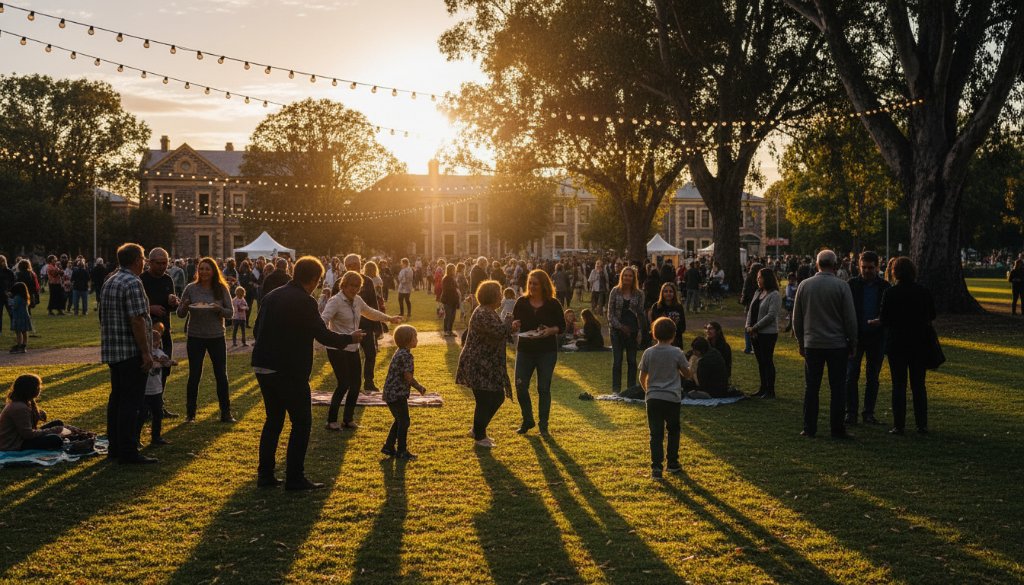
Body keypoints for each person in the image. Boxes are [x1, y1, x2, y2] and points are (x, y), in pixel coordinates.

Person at [252, 256, 364, 490]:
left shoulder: (272, 296)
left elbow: (256, 330)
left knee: (273, 420)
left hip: (263, 366)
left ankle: (265, 474)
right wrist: (349, 338)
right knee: (301, 423)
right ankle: (294, 477)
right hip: (288, 369)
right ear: (314, 279)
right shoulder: (305, 301)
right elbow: (322, 334)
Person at [322, 271, 402, 431]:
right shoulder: (335, 301)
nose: (354, 289)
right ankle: (331, 421)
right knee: (343, 383)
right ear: (344, 285)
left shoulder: (357, 300)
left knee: (356, 383)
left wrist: (389, 318)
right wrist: (331, 337)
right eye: (352, 286)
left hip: (352, 348)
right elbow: (323, 320)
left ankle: (348, 419)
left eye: (357, 287)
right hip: (337, 348)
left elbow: (370, 312)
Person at [100, 243, 156, 464]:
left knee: (117, 400)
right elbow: (137, 319)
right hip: (130, 351)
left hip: (113, 349)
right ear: (136, 260)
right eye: (143, 258)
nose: (144, 262)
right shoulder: (133, 282)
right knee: (131, 403)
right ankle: (128, 450)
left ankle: (115, 447)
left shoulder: (110, 280)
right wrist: (145, 352)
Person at [792, 250, 858, 439]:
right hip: (837, 344)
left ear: (817, 264)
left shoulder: (805, 285)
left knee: (812, 386)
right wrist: (853, 342)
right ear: (835, 265)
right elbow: (850, 319)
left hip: (813, 343)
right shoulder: (842, 286)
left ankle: (809, 427)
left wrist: (801, 341)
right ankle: (837, 429)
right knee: (837, 388)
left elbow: (797, 318)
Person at [872, 257, 936, 435]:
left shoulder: (891, 293)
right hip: (918, 342)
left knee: (898, 385)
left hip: (897, 343)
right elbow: (932, 314)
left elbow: (884, 318)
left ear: (895, 272)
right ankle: (921, 423)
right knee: (918, 385)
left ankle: (899, 424)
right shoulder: (923, 291)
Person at [456, 280, 519, 448]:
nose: (501, 297)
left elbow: (499, 332)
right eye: (499, 294)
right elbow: (498, 332)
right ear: (492, 296)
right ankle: (479, 435)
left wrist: (510, 326)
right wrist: (509, 319)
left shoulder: (488, 311)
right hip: (478, 363)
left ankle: (478, 430)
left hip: (485, 364)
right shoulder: (483, 312)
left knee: (495, 397)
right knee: (487, 399)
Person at [177, 257, 235, 423]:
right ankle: (190, 414)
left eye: (207, 269)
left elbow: (230, 313)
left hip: (216, 336)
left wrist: (219, 309)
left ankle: (226, 412)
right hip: (195, 336)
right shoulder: (190, 288)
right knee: (194, 374)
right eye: (201, 269)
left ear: (213, 271)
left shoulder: (221, 289)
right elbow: (180, 314)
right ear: (197, 271)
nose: (203, 272)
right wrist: (185, 305)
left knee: (221, 375)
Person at [511, 269, 565, 435]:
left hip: (546, 351)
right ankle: (528, 419)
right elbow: (515, 322)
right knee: (520, 385)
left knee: (543, 388)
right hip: (525, 349)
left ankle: (543, 425)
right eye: (530, 283)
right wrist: (515, 325)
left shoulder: (553, 304)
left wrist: (550, 331)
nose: (532, 286)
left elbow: (562, 327)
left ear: (543, 285)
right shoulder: (521, 302)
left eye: (535, 283)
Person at [639, 317, 692, 479]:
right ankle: (673, 463)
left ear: (654, 333)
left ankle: (656, 467)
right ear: (673, 335)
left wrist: (648, 391)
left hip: (653, 397)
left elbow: (642, 376)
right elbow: (687, 374)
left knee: (655, 433)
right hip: (672, 398)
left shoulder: (648, 352)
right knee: (673, 430)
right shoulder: (677, 352)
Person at [844, 251, 889, 425]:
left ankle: (868, 412)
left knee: (872, 377)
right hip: (856, 337)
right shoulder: (852, 285)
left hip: (876, 337)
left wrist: (881, 321)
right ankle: (851, 412)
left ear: (877, 267)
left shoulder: (885, 287)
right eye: (864, 267)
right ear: (859, 266)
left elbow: (890, 313)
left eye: (871, 268)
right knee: (851, 375)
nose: (867, 271)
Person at [140, 248, 180, 416]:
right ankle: (145, 408)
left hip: (165, 330)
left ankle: (158, 407)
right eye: (159, 263)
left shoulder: (167, 279)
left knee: (164, 368)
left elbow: (170, 307)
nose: (163, 266)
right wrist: (151, 309)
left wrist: (174, 301)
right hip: (146, 332)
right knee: (147, 370)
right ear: (149, 262)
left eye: (166, 263)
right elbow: (135, 308)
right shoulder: (141, 280)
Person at [381, 324, 428, 460]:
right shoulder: (406, 356)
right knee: (404, 421)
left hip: (391, 393)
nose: (417, 340)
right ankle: (402, 451)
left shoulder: (400, 352)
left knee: (400, 420)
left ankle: (389, 447)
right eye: (415, 337)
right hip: (397, 394)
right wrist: (419, 387)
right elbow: (407, 376)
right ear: (408, 340)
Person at [0, 374, 66, 451]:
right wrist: (54, 430)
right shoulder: (20, 407)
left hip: (21, 438)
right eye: (38, 387)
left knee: (58, 423)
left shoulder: (23, 402)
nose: (40, 389)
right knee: (55, 439)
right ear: (30, 389)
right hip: (14, 444)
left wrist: (39, 413)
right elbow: (28, 435)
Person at [608, 266, 645, 393]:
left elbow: (640, 314)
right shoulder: (614, 291)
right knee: (617, 361)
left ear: (634, 278)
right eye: (625, 275)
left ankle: (631, 388)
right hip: (616, 331)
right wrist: (620, 326)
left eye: (630, 275)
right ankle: (616, 389)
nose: (627, 278)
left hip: (632, 331)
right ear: (621, 277)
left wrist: (640, 330)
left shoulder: (639, 294)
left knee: (632, 360)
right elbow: (610, 314)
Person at [746, 268, 782, 399]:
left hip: (767, 333)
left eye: (760, 277)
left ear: (766, 278)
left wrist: (755, 327)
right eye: (757, 277)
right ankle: (762, 388)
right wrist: (748, 326)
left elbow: (771, 315)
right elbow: (751, 310)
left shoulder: (774, 295)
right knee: (760, 361)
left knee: (767, 360)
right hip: (755, 333)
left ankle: (770, 390)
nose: (758, 280)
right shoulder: (758, 292)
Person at [138, 324, 175, 446]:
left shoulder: (160, 353)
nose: (156, 344)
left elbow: (167, 362)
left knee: (158, 414)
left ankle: (156, 437)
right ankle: (135, 439)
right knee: (141, 415)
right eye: (153, 342)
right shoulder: (143, 354)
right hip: (144, 390)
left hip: (156, 390)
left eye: (157, 342)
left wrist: (168, 362)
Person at [649, 282, 686, 349]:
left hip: (676, 341)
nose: (668, 293)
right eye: (666, 291)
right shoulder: (656, 307)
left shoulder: (678, 307)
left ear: (674, 293)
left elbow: (683, 326)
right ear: (662, 293)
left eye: (670, 291)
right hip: (660, 341)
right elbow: (653, 325)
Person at [739, 262, 763, 353]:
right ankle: (753, 346)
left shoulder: (748, 278)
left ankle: (748, 346)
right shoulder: (759, 280)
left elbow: (744, 291)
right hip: (758, 303)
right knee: (756, 325)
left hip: (749, 304)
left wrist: (744, 301)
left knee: (748, 325)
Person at [7, 282, 31, 354]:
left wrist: (9, 298)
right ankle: (24, 345)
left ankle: (19, 345)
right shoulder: (25, 297)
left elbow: (14, 306)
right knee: (24, 331)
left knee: (18, 332)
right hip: (25, 316)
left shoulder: (17, 297)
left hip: (18, 316)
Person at [440, 263, 461, 337]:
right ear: (450, 270)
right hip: (448, 300)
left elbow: (455, 287)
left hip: (453, 300)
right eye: (453, 269)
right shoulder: (446, 278)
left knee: (452, 317)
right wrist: (455, 288)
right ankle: (446, 331)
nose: (454, 271)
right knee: (448, 316)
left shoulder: (452, 278)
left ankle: (450, 330)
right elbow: (447, 289)